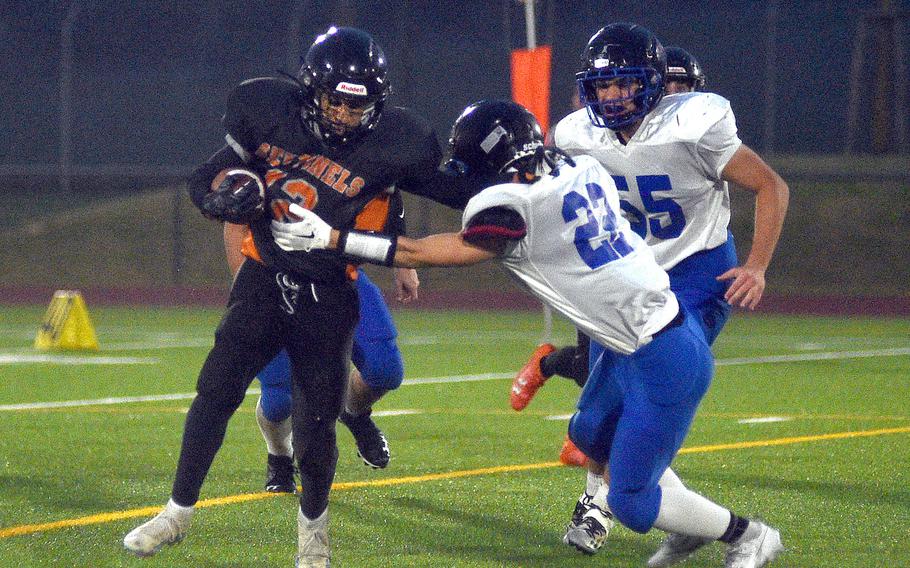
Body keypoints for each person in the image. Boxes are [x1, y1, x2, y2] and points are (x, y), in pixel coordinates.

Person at [272, 99, 785, 568]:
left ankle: (747, 535)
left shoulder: (516, 207)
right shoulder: (577, 165)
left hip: (662, 352)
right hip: (633, 335)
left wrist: (336, 238)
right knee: (588, 434)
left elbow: (427, 251)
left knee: (630, 502)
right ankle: (683, 521)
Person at [123, 26, 473, 567]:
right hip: (264, 279)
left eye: (358, 107)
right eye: (335, 101)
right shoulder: (267, 111)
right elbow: (205, 177)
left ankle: (313, 542)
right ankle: (176, 513)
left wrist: (513, 179)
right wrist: (221, 202)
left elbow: (454, 191)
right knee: (214, 390)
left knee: (316, 425)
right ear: (311, 91)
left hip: (329, 292)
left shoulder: (394, 143)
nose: (344, 117)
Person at [524, 23, 785, 566]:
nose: (612, 97)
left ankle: (729, 529)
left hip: (695, 277)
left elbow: (770, 185)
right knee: (592, 427)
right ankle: (683, 518)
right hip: (631, 279)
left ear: (652, 83)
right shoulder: (576, 136)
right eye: (602, 86)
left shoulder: (691, 126)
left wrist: (757, 265)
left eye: (623, 85)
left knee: (640, 422)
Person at [510, 43, 714, 469]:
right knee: (598, 365)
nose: (676, 93)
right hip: (611, 263)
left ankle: (601, 455)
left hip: (674, 267)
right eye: (607, 87)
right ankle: (595, 467)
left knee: (640, 370)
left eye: (683, 85)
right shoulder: (587, 134)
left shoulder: (695, 137)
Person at [224, 220, 416, 494]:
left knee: (384, 369)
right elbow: (236, 221)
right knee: (279, 401)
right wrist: (246, 287)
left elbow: (386, 195)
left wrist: (404, 262)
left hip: (339, 278)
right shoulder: (266, 177)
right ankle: (279, 455)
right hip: (277, 285)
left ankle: (354, 413)